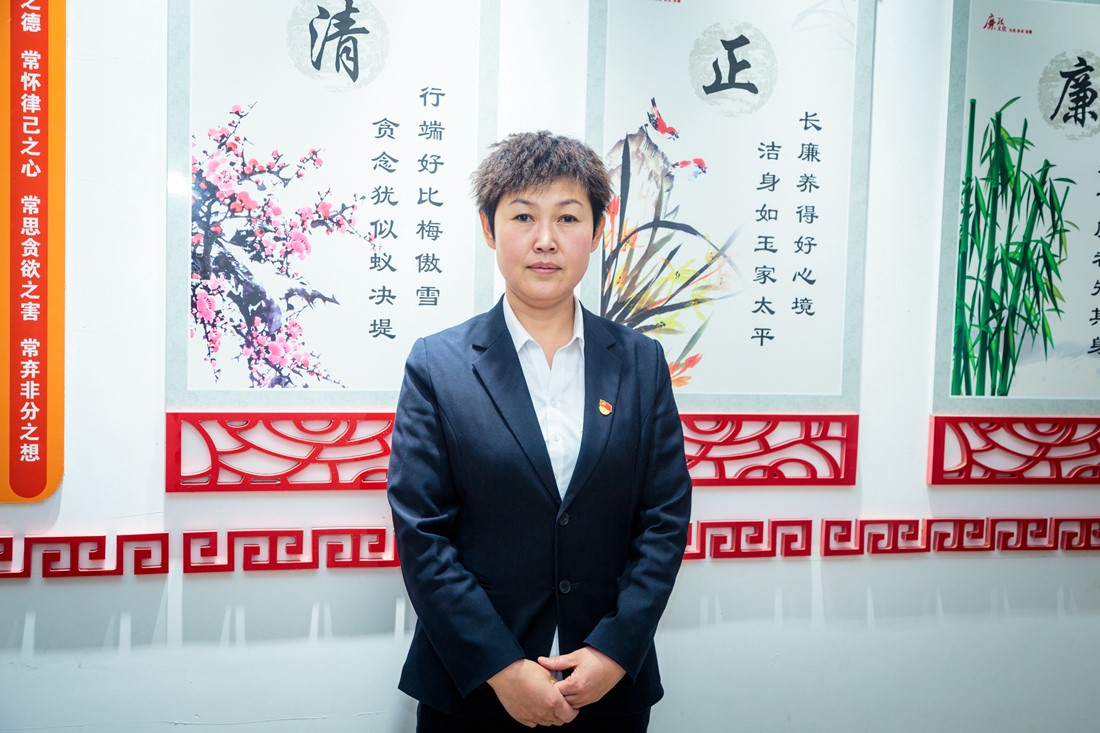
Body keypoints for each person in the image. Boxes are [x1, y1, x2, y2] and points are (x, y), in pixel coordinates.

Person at [387, 130, 692, 731]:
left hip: (607, 692)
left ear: (597, 232)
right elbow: (422, 532)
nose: (546, 240)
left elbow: (664, 519)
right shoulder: (438, 365)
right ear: (489, 228)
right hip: (472, 692)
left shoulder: (640, 362)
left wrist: (612, 652)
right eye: (523, 216)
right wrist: (501, 668)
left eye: (568, 218)